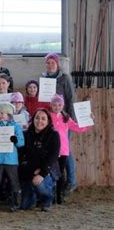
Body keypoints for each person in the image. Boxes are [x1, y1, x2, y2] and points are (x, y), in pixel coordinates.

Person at [41, 53, 78, 193]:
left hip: (63, 119)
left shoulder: (65, 78)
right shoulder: (43, 79)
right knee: (51, 150)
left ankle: (72, 181)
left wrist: (69, 118)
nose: (50, 65)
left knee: (65, 150)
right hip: (49, 120)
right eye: (47, 63)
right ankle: (54, 181)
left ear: (57, 64)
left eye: (52, 63)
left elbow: (70, 98)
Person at [49, 94, 91, 204]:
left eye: (59, 105)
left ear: (62, 105)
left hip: (63, 150)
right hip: (51, 150)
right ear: (51, 105)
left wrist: (88, 121)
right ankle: (50, 196)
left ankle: (59, 196)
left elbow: (78, 128)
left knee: (61, 174)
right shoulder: (48, 117)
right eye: (54, 105)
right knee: (50, 173)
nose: (57, 107)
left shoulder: (66, 118)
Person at [20, 108, 60, 212]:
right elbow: (21, 154)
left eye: (43, 119)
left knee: (39, 183)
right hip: (29, 170)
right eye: (37, 118)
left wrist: (42, 173)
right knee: (25, 206)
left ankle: (47, 198)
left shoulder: (54, 135)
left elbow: (53, 156)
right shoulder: (25, 134)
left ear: (48, 121)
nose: (39, 121)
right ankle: (34, 196)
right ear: (33, 119)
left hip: (47, 170)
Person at [0, 102, 24, 213]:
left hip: (11, 159)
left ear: (9, 114)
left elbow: (21, 143)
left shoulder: (16, 127)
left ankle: (17, 203)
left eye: (2, 112)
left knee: (14, 181)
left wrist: (16, 140)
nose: (0, 114)